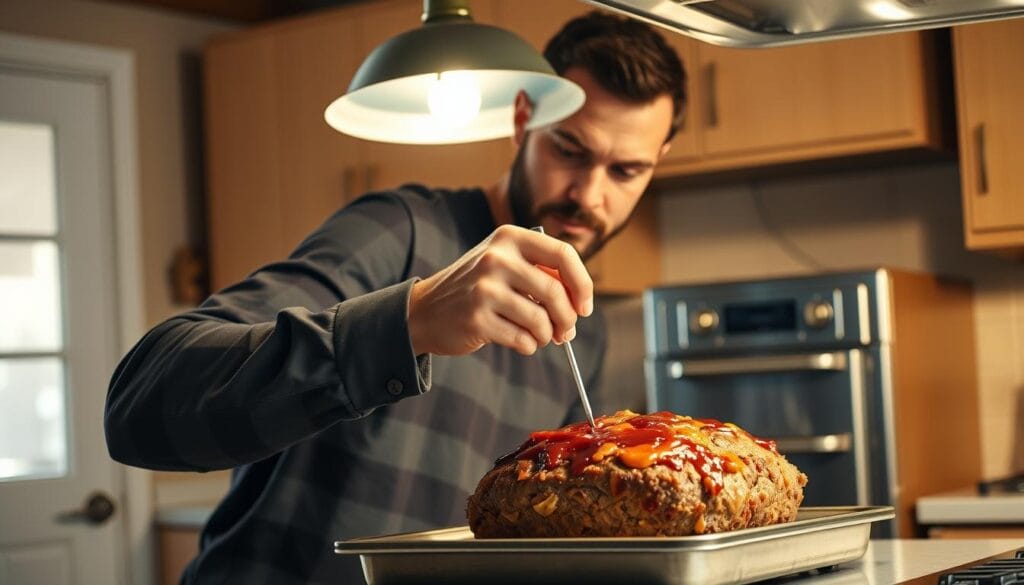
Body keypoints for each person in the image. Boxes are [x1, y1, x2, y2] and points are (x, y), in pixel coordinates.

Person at [105, 11, 687, 585]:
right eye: (569, 150)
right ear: (522, 119)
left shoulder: (586, 329)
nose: (589, 194)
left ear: (657, 164)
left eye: (626, 171)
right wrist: (411, 320)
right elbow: (139, 407)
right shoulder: (398, 231)